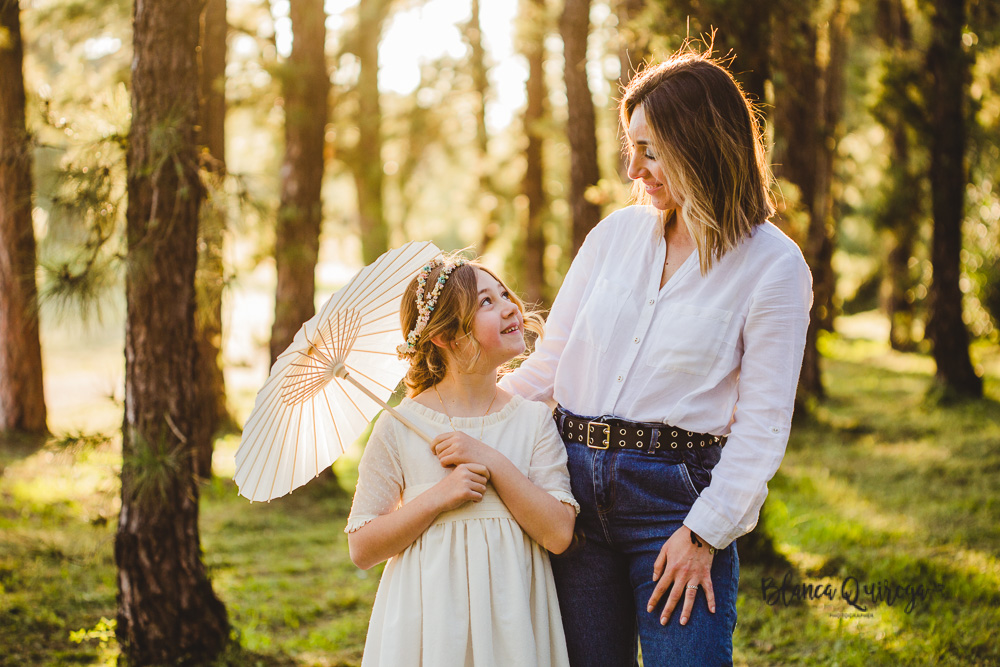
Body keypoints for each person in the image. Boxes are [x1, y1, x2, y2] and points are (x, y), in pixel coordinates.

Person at [499, 48, 813, 666]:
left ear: (700, 141)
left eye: (650, 148)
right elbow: (549, 365)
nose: (633, 168)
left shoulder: (774, 266)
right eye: (630, 146)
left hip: (676, 505)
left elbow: (763, 424)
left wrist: (704, 533)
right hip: (569, 495)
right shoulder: (613, 237)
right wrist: (453, 412)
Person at [346, 255, 579, 667]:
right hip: (428, 622)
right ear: (445, 336)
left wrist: (490, 460)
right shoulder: (400, 426)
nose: (510, 306)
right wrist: (439, 497)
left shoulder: (533, 419)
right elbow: (363, 548)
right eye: (486, 302)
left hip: (512, 621)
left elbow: (559, 533)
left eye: (504, 294)